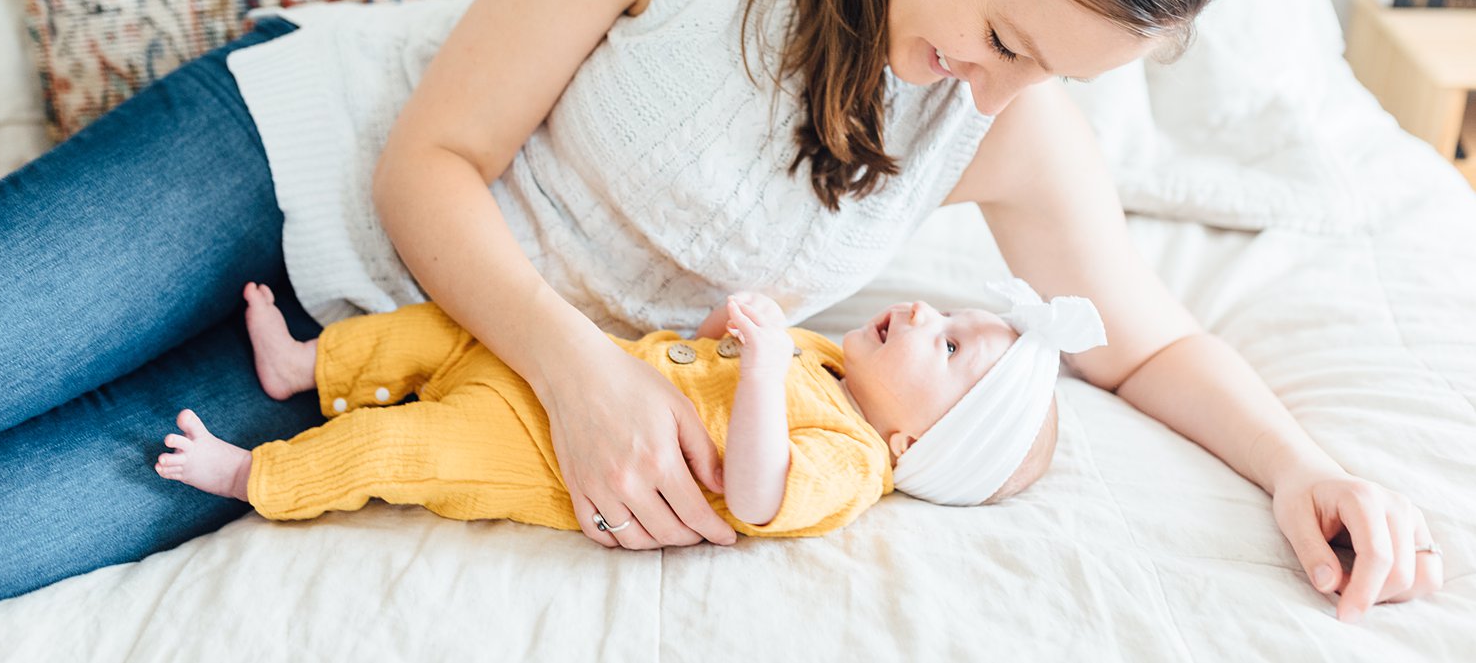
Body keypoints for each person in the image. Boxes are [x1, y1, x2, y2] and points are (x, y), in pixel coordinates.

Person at [0, 0, 1441, 619]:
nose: (999, 93)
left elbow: (1147, 339)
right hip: (277, 155)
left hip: (385, 344)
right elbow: (428, 161)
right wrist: (582, 371)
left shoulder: (1001, 127)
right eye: (1003, 34)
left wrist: (1304, 466)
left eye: (1049, 73)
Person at [152, 279, 1104, 532]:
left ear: (912, 441)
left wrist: (767, 370)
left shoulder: (853, 463)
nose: (922, 312)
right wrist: (729, 327)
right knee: (443, 326)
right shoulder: (827, 360)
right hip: (572, 374)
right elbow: (697, 363)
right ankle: (306, 364)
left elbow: (757, 492)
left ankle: (255, 474)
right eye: (950, 314)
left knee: (401, 447)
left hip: (537, 454)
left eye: (945, 347)